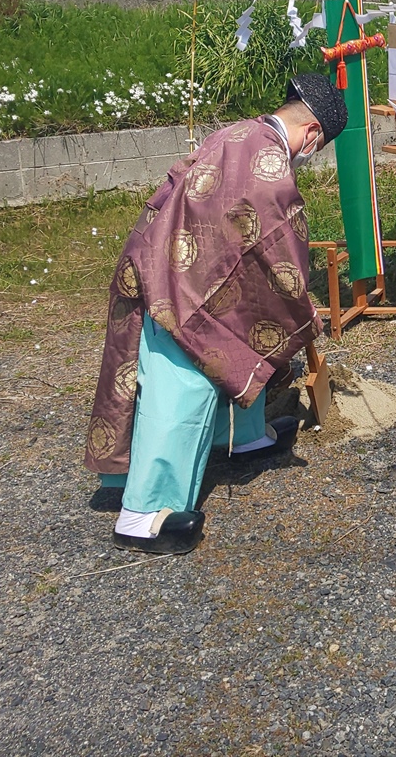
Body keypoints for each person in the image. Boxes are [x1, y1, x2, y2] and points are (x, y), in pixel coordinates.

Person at [83, 74, 347, 554]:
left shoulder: (238, 133)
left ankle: (243, 438)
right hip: (179, 289)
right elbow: (278, 243)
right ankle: (144, 513)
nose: (312, 156)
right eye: (319, 147)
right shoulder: (271, 165)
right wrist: (303, 307)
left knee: (246, 333)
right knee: (180, 381)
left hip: (165, 257)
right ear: (313, 135)